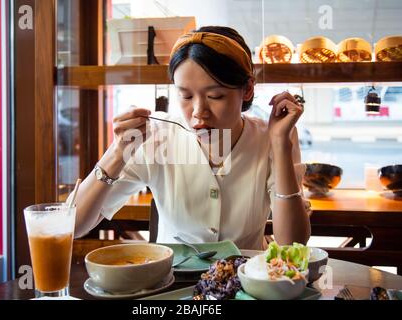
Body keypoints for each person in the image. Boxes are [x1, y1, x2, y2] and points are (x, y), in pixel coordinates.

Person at [71, 26, 311, 250]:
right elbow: (74, 226)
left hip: (245, 286)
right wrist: (116, 153)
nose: (198, 111)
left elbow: (292, 243)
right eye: (185, 96)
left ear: (247, 89)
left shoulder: (272, 138)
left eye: (215, 96)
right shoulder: (157, 137)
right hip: (170, 285)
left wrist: (280, 144)